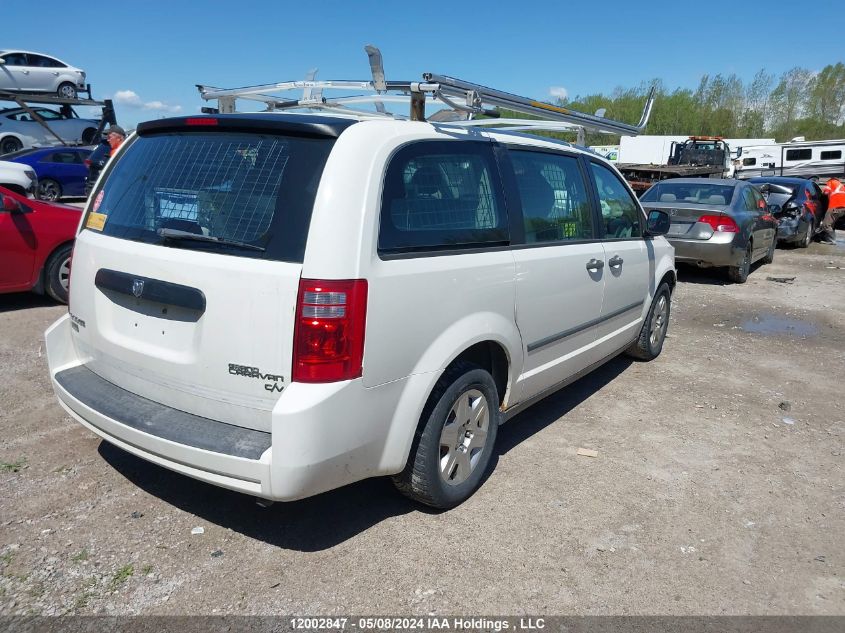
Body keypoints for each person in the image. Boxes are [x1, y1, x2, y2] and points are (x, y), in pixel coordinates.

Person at [819, 177, 845, 245]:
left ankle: (832, 240)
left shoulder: (830, 182)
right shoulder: (841, 185)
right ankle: (830, 238)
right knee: (831, 223)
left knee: (825, 224)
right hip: (843, 207)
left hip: (835, 205)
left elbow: (826, 192)